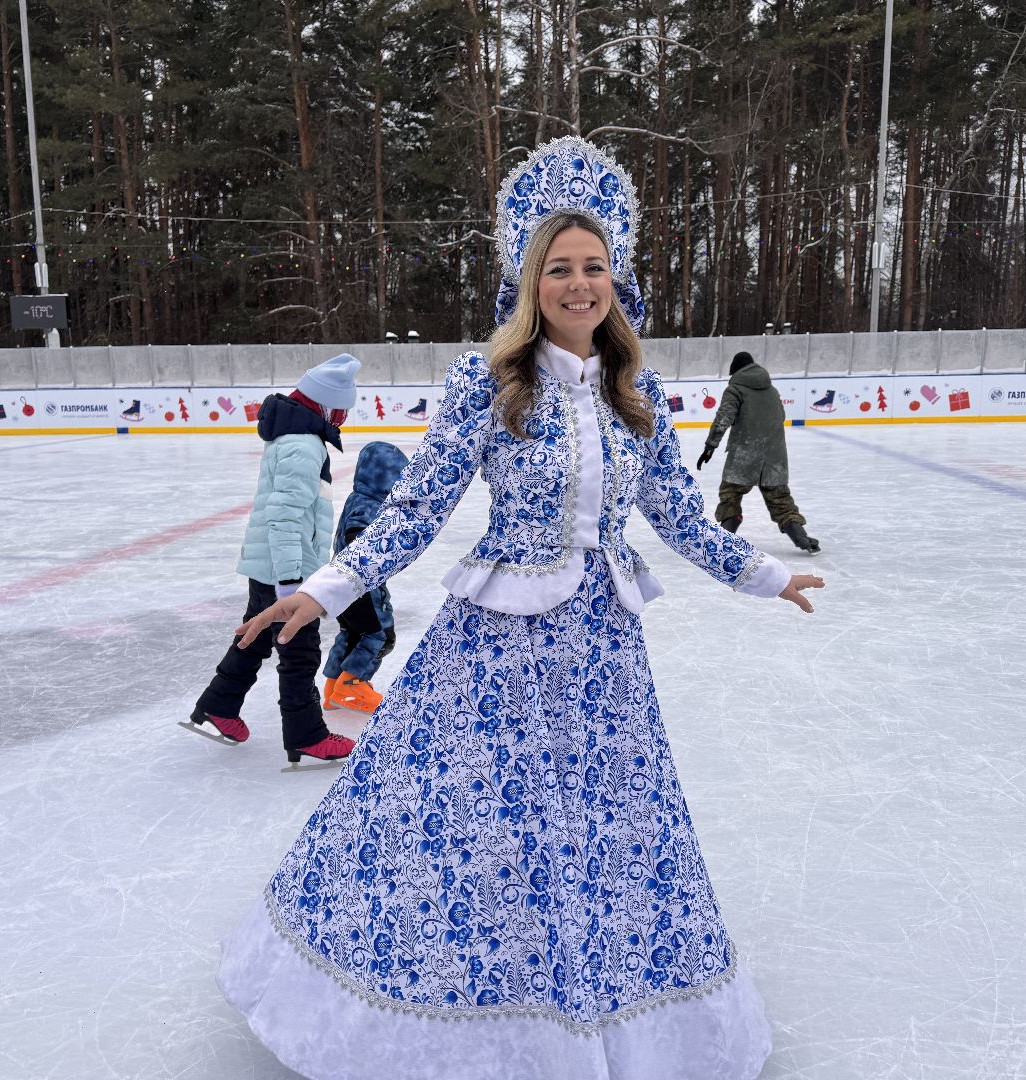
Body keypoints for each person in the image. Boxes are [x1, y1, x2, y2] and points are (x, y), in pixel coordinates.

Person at [215, 138, 825, 1080]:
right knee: (475, 832)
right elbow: (418, 508)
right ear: (531, 280)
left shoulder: (639, 394)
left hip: (603, 653)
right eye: (559, 270)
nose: (578, 286)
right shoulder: (489, 382)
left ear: (615, 279)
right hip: (497, 649)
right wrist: (324, 589)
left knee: (607, 834)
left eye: (593, 268)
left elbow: (674, 514)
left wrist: (765, 576)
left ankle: (609, 1014)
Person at [182, 353, 362, 766]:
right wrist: (290, 581)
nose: (343, 419)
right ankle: (306, 734)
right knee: (300, 653)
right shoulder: (304, 445)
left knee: (255, 637)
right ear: (326, 405)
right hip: (288, 569)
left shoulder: (293, 436)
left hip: (271, 565)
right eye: (342, 410)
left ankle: (219, 705)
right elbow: (284, 516)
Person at [697, 351, 820, 553]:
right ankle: (802, 538)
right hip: (775, 457)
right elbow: (780, 416)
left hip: (744, 454)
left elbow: (723, 419)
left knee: (730, 494)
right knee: (780, 499)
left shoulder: (735, 389)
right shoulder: (772, 390)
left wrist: (710, 446)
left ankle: (725, 538)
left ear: (735, 371)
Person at [321, 441, 410, 714]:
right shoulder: (371, 508)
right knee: (378, 635)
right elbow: (357, 539)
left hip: (341, 580)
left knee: (351, 633)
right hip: (361, 587)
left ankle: (334, 686)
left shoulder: (356, 498)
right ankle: (352, 685)